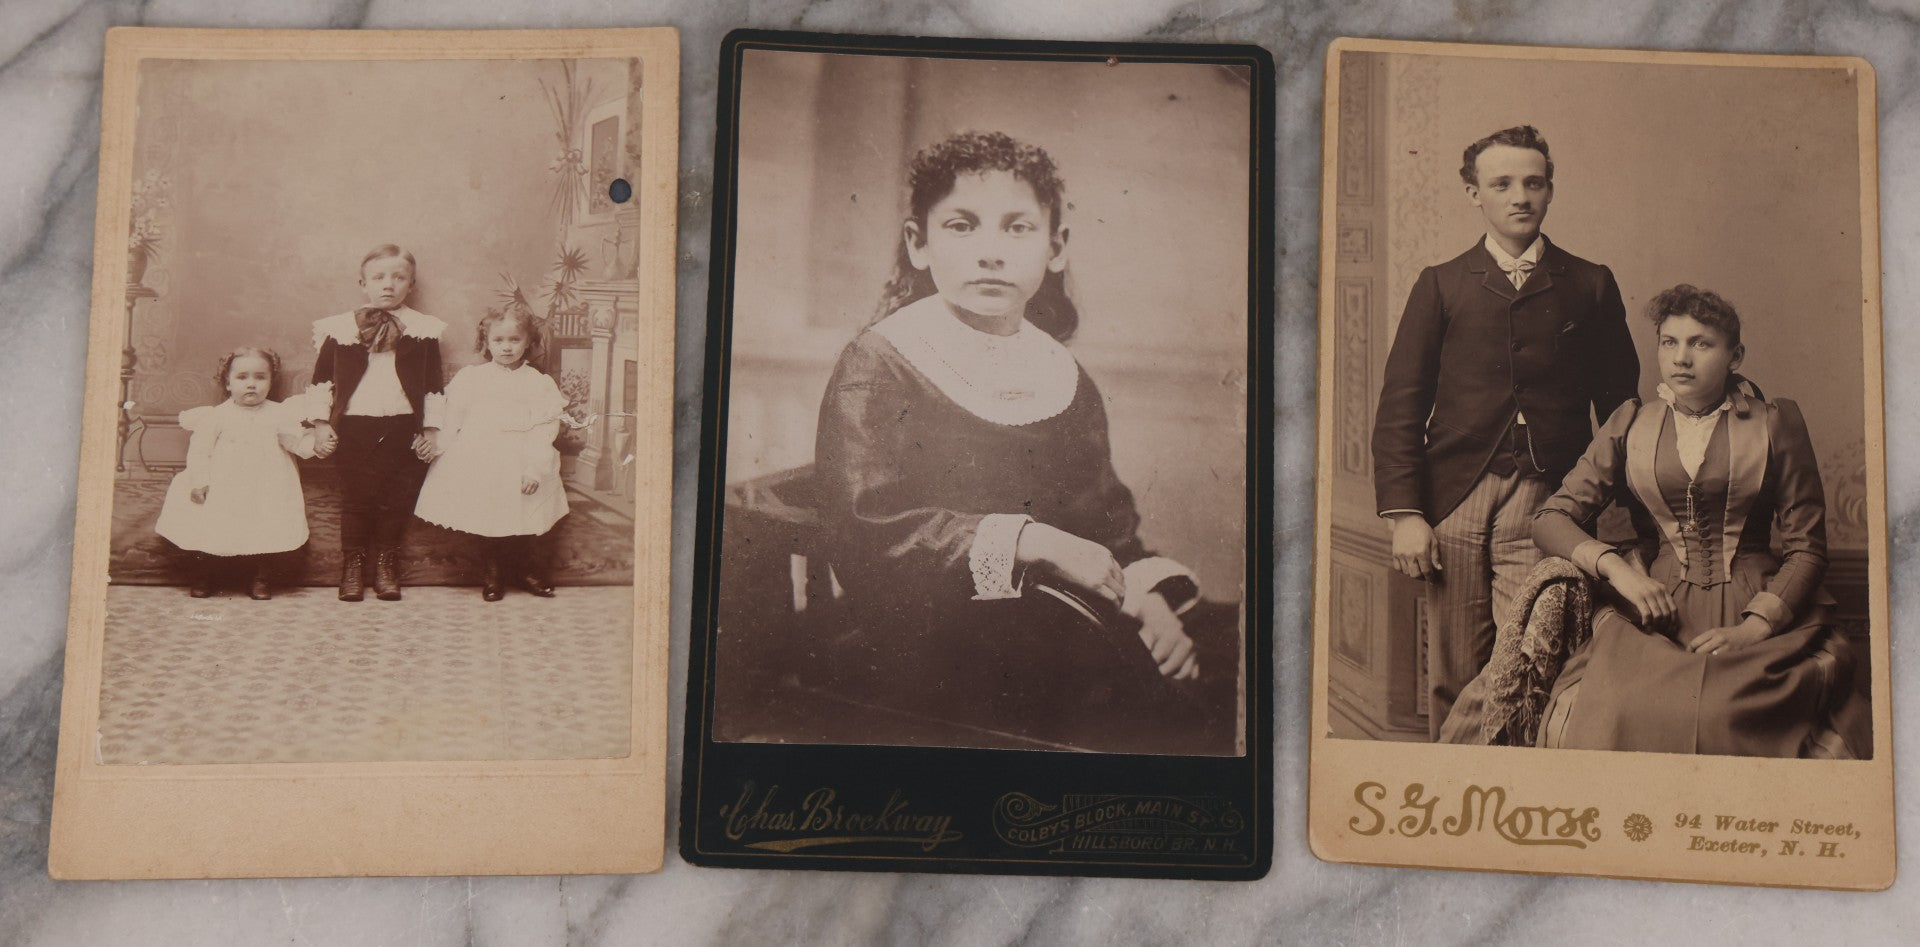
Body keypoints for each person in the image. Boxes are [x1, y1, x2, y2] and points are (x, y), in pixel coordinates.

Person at [810, 130, 1233, 754]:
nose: (991, 253)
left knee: (1232, 652)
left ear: (1055, 248)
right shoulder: (882, 362)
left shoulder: (1061, 374)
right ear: (917, 244)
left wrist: (1149, 605)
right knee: (1157, 718)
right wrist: (1033, 540)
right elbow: (871, 528)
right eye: (962, 226)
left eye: (1017, 228)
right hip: (928, 641)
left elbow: (1108, 527)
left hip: (1053, 623)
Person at [1372, 125, 1639, 737]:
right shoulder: (1441, 282)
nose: (1520, 196)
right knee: (1453, 668)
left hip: (1550, 501)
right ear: (1474, 194)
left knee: (1524, 664)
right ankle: (1452, 797)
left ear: (1550, 191)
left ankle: (1514, 790)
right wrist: (1405, 513)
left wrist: (1625, 511)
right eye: (1502, 184)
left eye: (1534, 183)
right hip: (1453, 497)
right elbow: (1401, 407)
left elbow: (1621, 411)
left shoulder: (1589, 282)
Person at [1527, 285, 1866, 757]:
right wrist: (1619, 571)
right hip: (1656, 610)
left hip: (1758, 603)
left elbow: (1808, 549)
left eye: (1700, 343)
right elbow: (1551, 518)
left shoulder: (1775, 423)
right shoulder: (1630, 424)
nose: (1681, 358)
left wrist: (1752, 630)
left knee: (1721, 714)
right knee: (1621, 707)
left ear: (1734, 355)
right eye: (1670, 342)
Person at [307, 244, 446, 601]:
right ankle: (352, 566)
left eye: (399, 278)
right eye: (379, 277)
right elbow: (322, 381)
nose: (389, 285)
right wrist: (322, 424)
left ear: (411, 284)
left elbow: (433, 384)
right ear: (363, 283)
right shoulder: (339, 329)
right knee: (356, 498)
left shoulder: (423, 330)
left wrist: (430, 429)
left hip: (403, 425)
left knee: (395, 499)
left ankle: (386, 565)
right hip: (354, 425)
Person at [414, 307, 570, 601]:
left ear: (528, 342)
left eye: (514, 339)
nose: (507, 347)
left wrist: (535, 468)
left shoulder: (538, 383)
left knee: (525, 514)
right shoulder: (471, 378)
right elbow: (452, 420)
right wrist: (435, 447)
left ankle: (525, 570)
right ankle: (493, 573)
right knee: (488, 515)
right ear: (485, 342)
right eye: (498, 340)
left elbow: (544, 429)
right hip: (481, 456)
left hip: (522, 456)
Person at [154, 347, 316, 599]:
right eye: (242, 378)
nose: (251, 384)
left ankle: (261, 578)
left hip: (267, 484)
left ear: (271, 382)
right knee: (213, 527)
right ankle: (204, 576)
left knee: (265, 527)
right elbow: (200, 451)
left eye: (260, 377)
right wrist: (200, 482)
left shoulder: (278, 414)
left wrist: (315, 444)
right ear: (227, 383)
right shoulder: (217, 416)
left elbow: (294, 442)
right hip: (225, 486)